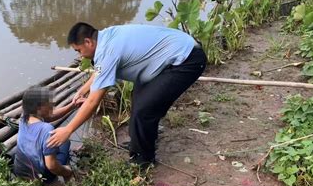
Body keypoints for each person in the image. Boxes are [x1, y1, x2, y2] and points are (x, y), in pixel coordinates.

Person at [47, 22, 207, 168]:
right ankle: (138, 145)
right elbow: (100, 70)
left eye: (79, 50)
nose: (80, 56)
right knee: (138, 100)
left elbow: (93, 101)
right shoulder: (105, 37)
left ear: (88, 42)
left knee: (145, 110)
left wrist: (68, 129)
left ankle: (144, 160)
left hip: (186, 59)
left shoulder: (108, 50)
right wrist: (83, 90)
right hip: (164, 60)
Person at [14, 86, 83, 184]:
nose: (52, 104)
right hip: (40, 177)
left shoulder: (24, 117)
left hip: (20, 171)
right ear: (38, 107)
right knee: (65, 143)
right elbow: (51, 166)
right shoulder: (47, 130)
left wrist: (72, 105)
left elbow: (50, 116)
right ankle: (63, 173)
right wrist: (68, 172)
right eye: (48, 103)